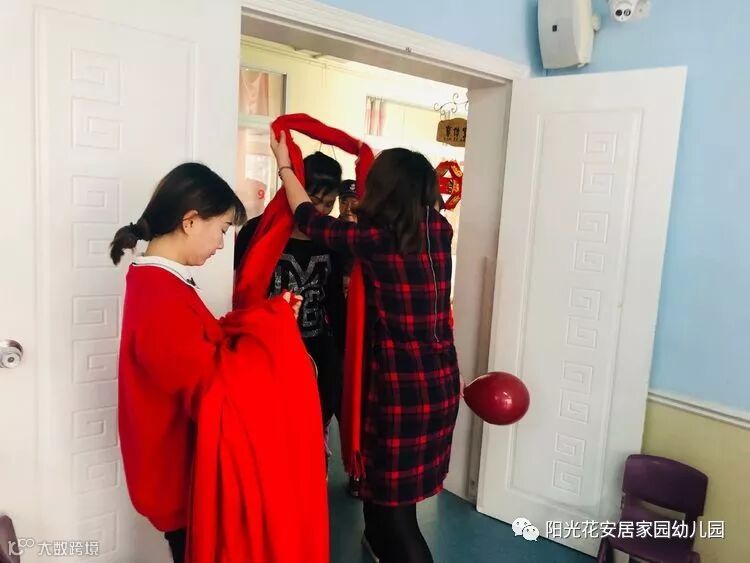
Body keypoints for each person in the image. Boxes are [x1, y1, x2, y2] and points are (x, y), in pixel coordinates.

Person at [272, 132, 462, 563]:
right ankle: (377, 545)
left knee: (399, 516)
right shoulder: (440, 229)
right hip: (441, 381)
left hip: (403, 389)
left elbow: (308, 217)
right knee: (389, 491)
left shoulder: (378, 238)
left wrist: (284, 165)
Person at [110, 162, 301, 563]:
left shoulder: (160, 281)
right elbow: (212, 388)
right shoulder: (160, 295)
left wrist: (268, 319)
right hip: (178, 478)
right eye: (223, 229)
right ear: (191, 221)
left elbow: (202, 345)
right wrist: (272, 333)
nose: (221, 243)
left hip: (178, 470)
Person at [234, 151, 346, 471]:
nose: (320, 211)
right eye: (314, 200)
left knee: (311, 430)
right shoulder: (257, 232)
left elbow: (335, 299)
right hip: (267, 350)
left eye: (329, 204)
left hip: (315, 346)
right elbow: (239, 291)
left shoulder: (332, 239)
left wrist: (343, 350)